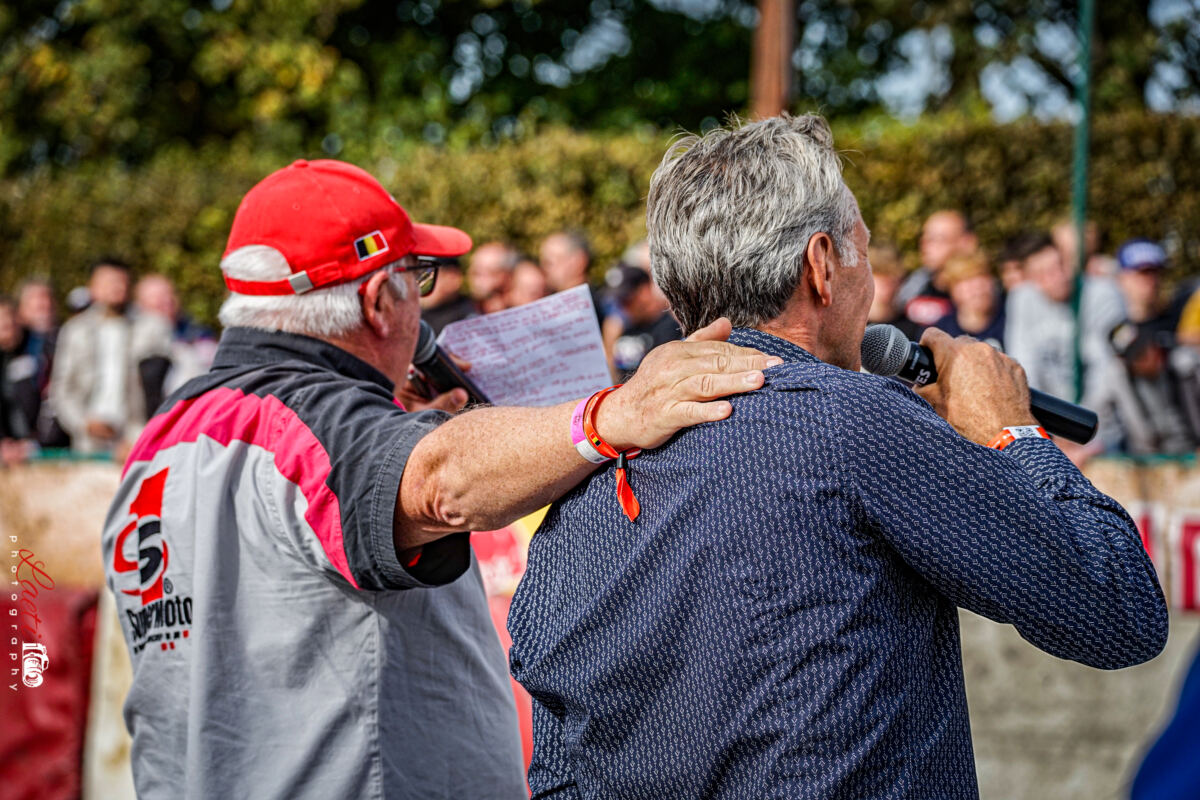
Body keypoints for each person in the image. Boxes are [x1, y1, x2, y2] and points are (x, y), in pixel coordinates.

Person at [508, 114, 1167, 800]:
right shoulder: (855, 420)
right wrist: (1012, 431)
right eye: (864, 250)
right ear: (821, 265)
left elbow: (557, 767)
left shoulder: (585, 471)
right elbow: (1119, 610)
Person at [101, 158, 777, 800]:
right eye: (417, 279)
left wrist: (408, 427)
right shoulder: (311, 428)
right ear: (378, 301)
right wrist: (614, 414)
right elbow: (439, 481)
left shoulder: (166, 436)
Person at [1003, 233, 1125, 460]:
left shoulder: (1103, 293)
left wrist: (1078, 427)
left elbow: (1107, 370)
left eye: (1060, 265)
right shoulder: (1022, 299)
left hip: (1104, 428)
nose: (1058, 277)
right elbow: (1023, 368)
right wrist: (1055, 430)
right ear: (1030, 278)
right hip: (1049, 429)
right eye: (1044, 273)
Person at [49, 258, 173, 455]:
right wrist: (83, 423)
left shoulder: (153, 327)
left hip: (138, 437)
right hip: (88, 442)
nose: (116, 288)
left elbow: (168, 384)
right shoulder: (75, 330)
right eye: (108, 282)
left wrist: (148, 432)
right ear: (93, 287)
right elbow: (61, 389)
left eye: (121, 281)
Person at [896, 209, 976, 332]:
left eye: (937, 238)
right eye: (924, 238)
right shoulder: (913, 285)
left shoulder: (982, 293)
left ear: (966, 243)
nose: (925, 245)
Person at [606, 265, 681, 381]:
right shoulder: (622, 329)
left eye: (627, 299)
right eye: (619, 300)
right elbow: (613, 376)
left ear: (645, 290)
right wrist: (609, 343)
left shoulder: (671, 326)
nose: (623, 306)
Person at [931, 249, 1005, 350]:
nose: (978, 287)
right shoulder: (942, 333)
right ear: (952, 289)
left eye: (983, 277)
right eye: (967, 280)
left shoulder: (1012, 318)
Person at [540, 230, 605, 323]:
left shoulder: (604, 306)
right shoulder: (545, 306)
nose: (543, 268)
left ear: (578, 261)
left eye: (549, 262)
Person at [866, 242, 920, 340]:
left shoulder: (913, 329)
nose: (886, 282)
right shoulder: (848, 326)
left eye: (892, 275)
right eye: (879, 274)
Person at [418, 257, 476, 333]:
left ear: (452, 278)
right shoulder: (420, 315)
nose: (416, 287)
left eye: (428, 276)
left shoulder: (467, 320)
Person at [467, 240, 519, 314]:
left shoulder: (522, 312)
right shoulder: (464, 313)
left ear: (506, 275)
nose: (476, 279)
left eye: (488, 271)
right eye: (475, 271)